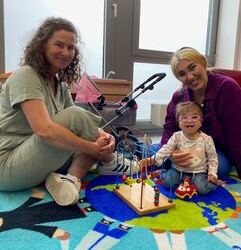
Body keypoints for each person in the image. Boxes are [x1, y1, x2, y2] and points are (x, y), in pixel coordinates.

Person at [0, 17, 116, 206]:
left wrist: (104, 137)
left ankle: (69, 180)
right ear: (42, 45)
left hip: (37, 156)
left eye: (71, 47)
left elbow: (81, 125)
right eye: (59, 45)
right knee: (78, 126)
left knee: (84, 134)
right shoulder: (26, 75)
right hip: (7, 165)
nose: (66, 52)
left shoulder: (60, 84)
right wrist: (92, 147)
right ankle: (110, 161)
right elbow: (44, 130)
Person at [161, 47, 241, 182]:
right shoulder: (179, 95)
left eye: (192, 67)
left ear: (203, 62)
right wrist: (171, 153)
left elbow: (236, 135)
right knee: (160, 155)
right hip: (186, 144)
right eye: (182, 74)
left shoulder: (229, 88)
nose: (190, 77)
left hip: (218, 151)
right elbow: (170, 127)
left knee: (216, 169)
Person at [141, 101, 218, 195]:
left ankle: (205, 183)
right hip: (178, 170)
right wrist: (152, 159)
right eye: (184, 117)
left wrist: (212, 174)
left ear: (201, 121)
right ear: (178, 122)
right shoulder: (177, 136)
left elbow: (212, 159)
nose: (189, 120)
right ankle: (164, 172)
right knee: (167, 183)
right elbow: (166, 149)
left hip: (198, 173)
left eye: (194, 116)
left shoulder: (207, 139)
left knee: (203, 189)